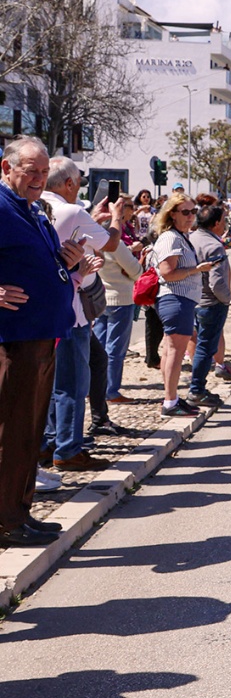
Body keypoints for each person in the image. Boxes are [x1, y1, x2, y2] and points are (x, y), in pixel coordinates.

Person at [0, 138, 78, 547]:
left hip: (42, 336)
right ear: (6, 167)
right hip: (15, 339)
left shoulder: (32, 209)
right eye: (31, 170)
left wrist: (66, 262)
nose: (39, 179)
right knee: (10, 431)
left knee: (29, 432)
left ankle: (19, 513)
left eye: (45, 172)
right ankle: (5, 522)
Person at [41, 158, 121, 469]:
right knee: (72, 384)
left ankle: (50, 442)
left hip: (47, 309)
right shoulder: (72, 211)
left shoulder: (36, 209)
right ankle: (68, 450)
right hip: (71, 310)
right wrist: (116, 217)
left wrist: (93, 219)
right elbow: (110, 243)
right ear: (69, 184)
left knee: (52, 382)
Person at [149, 190, 218, 418]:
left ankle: (172, 399)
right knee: (175, 353)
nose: (191, 216)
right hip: (175, 299)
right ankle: (170, 402)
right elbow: (168, 273)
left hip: (180, 300)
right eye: (185, 212)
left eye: (193, 211)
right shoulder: (171, 238)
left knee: (172, 352)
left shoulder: (180, 236)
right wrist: (196, 270)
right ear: (172, 214)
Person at [93, 197, 142, 408]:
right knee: (115, 349)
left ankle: (95, 388)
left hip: (100, 297)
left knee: (99, 347)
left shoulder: (94, 241)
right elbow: (136, 271)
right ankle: (111, 390)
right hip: (120, 298)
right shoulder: (116, 244)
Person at [186, 202, 231, 407]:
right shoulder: (213, 246)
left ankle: (197, 387)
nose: (225, 225)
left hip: (192, 299)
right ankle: (197, 389)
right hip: (210, 303)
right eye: (223, 221)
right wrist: (227, 298)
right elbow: (216, 282)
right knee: (206, 348)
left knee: (199, 344)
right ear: (216, 224)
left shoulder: (190, 238)